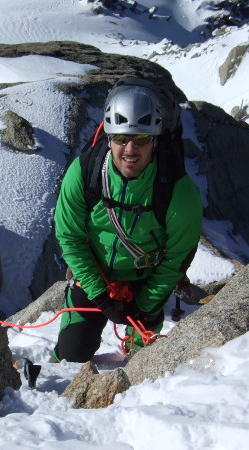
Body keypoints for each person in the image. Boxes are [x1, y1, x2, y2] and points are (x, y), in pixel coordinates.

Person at [52, 80, 203, 362]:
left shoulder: (178, 190)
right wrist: (100, 296)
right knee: (71, 356)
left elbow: (177, 257)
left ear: (155, 140)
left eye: (142, 139)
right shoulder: (84, 172)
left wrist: (145, 305)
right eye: (121, 138)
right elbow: (69, 237)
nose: (130, 149)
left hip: (147, 281)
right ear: (109, 137)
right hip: (95, 276)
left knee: (141, 363)